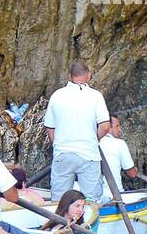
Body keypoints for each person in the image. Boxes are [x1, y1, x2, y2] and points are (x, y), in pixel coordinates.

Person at [45, 60, 111, 203]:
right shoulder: (95, 96)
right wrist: (95, 139)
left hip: (62, 152)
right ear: (88, 76)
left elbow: (50, 127)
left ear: (70, 76)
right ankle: (89, 223)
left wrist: (57, 144)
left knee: (59, 200)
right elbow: (105, 126)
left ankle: (59, 223)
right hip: (88, 153)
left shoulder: (57, 95)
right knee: (91, 200)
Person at [99, 117, 139, 197]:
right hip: (114, 196)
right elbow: (132, 174)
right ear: (108, 127)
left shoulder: (90, 143)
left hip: (92, 197)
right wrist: (135, 170)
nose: (120, 130)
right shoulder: (119, 143)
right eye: (117, 126)